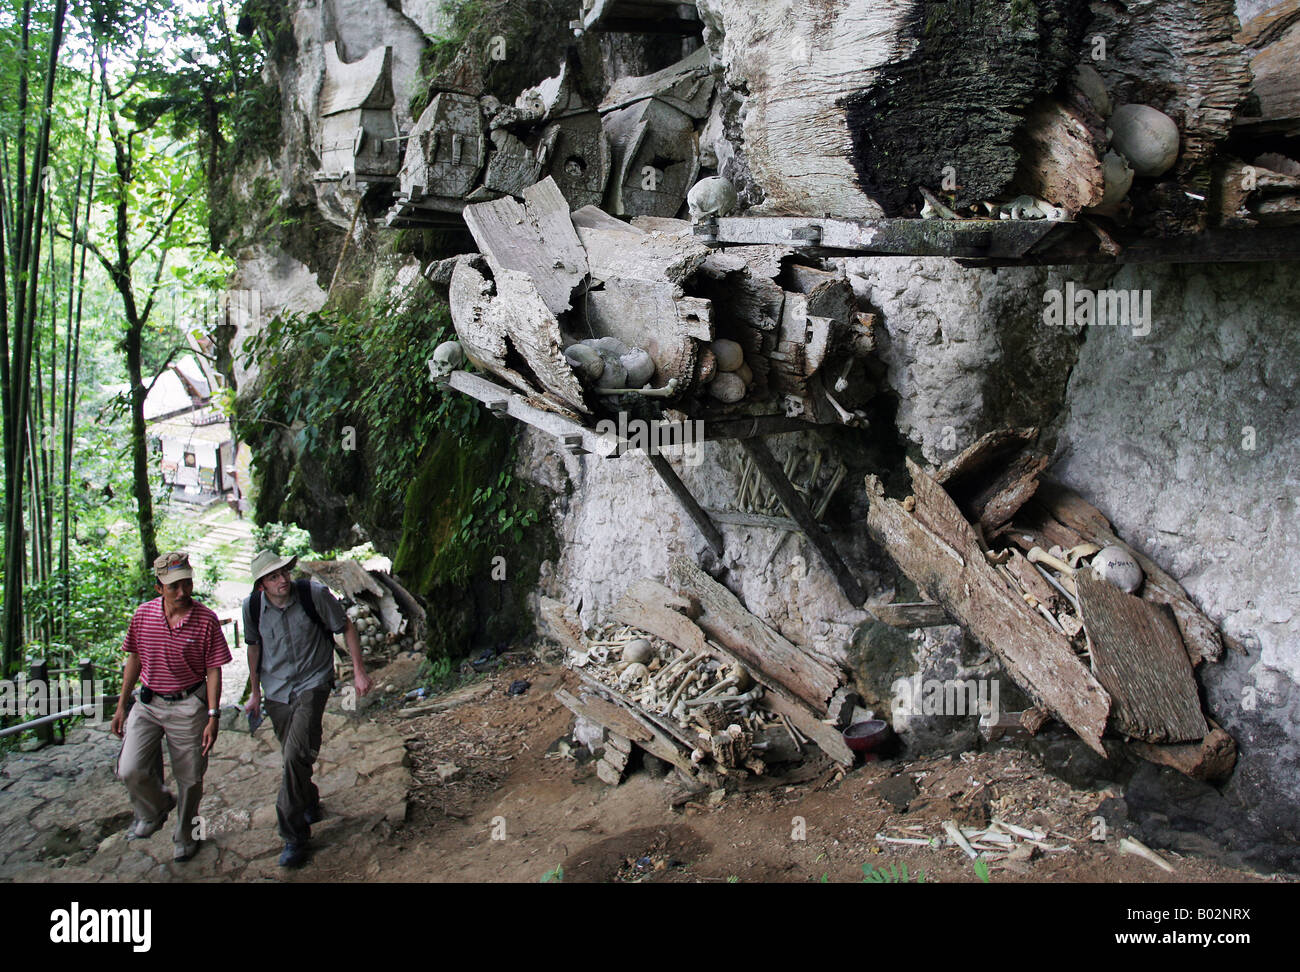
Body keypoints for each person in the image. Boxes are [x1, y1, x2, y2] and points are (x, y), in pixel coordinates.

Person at [242, 549, 372, 867]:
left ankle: (293, 835)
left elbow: (346, 626)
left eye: (284, 572)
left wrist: (358, 670)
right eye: (273, 576)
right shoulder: (253, 607)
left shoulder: (313, 594)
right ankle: (310, 799)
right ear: (262, 585)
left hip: (313, 683)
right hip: (276, 691)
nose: (283, 579)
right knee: (296, 756)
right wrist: (255, 693)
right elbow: (253, 647)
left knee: (294, 755)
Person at [112, 551, 231, 862]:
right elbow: (134, 658)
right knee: (130, 768)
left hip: (189, 704)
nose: (182, 592)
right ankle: (154, 808)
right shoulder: (143, 615)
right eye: (174, 587)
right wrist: (122, 705)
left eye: (187, 584)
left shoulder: (205, 619)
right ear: (158, 588)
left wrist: (212, 714)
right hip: (149, 703)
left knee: (190, 777)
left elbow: (214, 669)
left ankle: (186, 833)